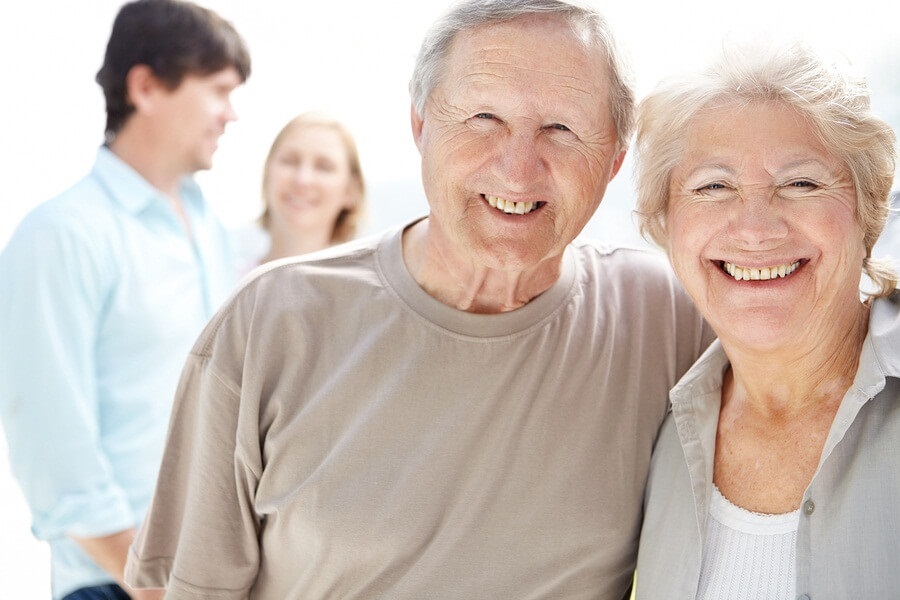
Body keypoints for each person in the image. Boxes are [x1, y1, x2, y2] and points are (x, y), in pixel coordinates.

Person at [125, 1, 713, 598]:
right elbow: (177, 588)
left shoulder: (668, 318)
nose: (518, 168)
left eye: (562, 129)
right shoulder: (269, 322)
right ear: (420, 124)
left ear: (614, 158)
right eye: (484, 117)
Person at [631, 38, 899, 598]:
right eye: (714, 186)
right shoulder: (658, 433)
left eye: (800, 183)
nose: (755, 229)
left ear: (868, 207)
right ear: (665, 222)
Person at [0, 1, 251, 599]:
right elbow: (52, 445)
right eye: (218, 91)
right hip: (122, 586)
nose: (231, 114)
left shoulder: (206, 224)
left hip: (209, 577)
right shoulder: (62, 233)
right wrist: (148, 581)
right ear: (146, 87)